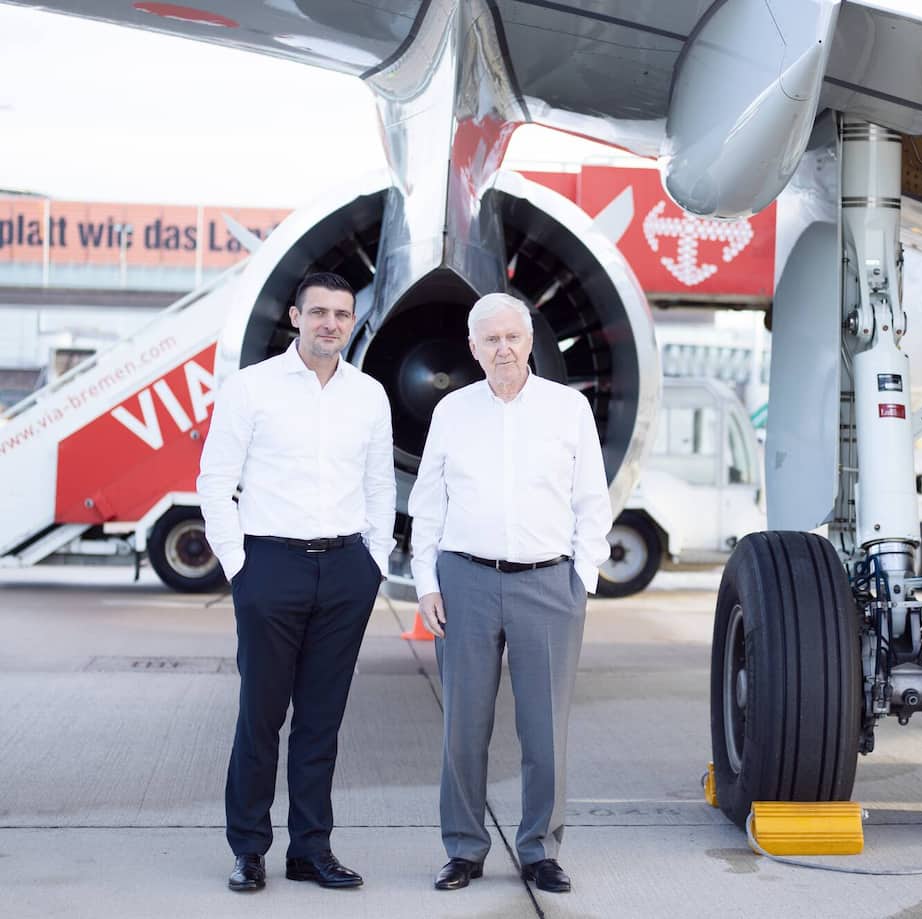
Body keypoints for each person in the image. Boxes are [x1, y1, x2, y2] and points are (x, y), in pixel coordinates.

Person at [198, 271, 395, 893]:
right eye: (318, 312)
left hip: (345, 570)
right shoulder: (251, 389)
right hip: (269, 567)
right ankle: (249, 848)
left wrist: (375, 562)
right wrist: (239, 567)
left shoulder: (369, 396)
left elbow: (380, 486)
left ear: (351, 322)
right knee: (260, 716)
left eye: (341, 314)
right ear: (295, 316)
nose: (330, 324)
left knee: (321, 720)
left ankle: (311, 849)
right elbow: (214, 481)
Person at [409, 291, 612, 895]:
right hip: (465, 580)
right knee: (463, 729)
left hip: (549, 583)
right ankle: (464, 850)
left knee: (544, 731)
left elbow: (591, 500)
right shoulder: (451, 411)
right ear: (472, 348)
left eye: (512, 337)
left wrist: (583, 579)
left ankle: (539, 850)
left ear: (529, 343)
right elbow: (428, 502)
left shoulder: (568, 408)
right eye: (490, 339)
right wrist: (425, 583)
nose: (503, 348)